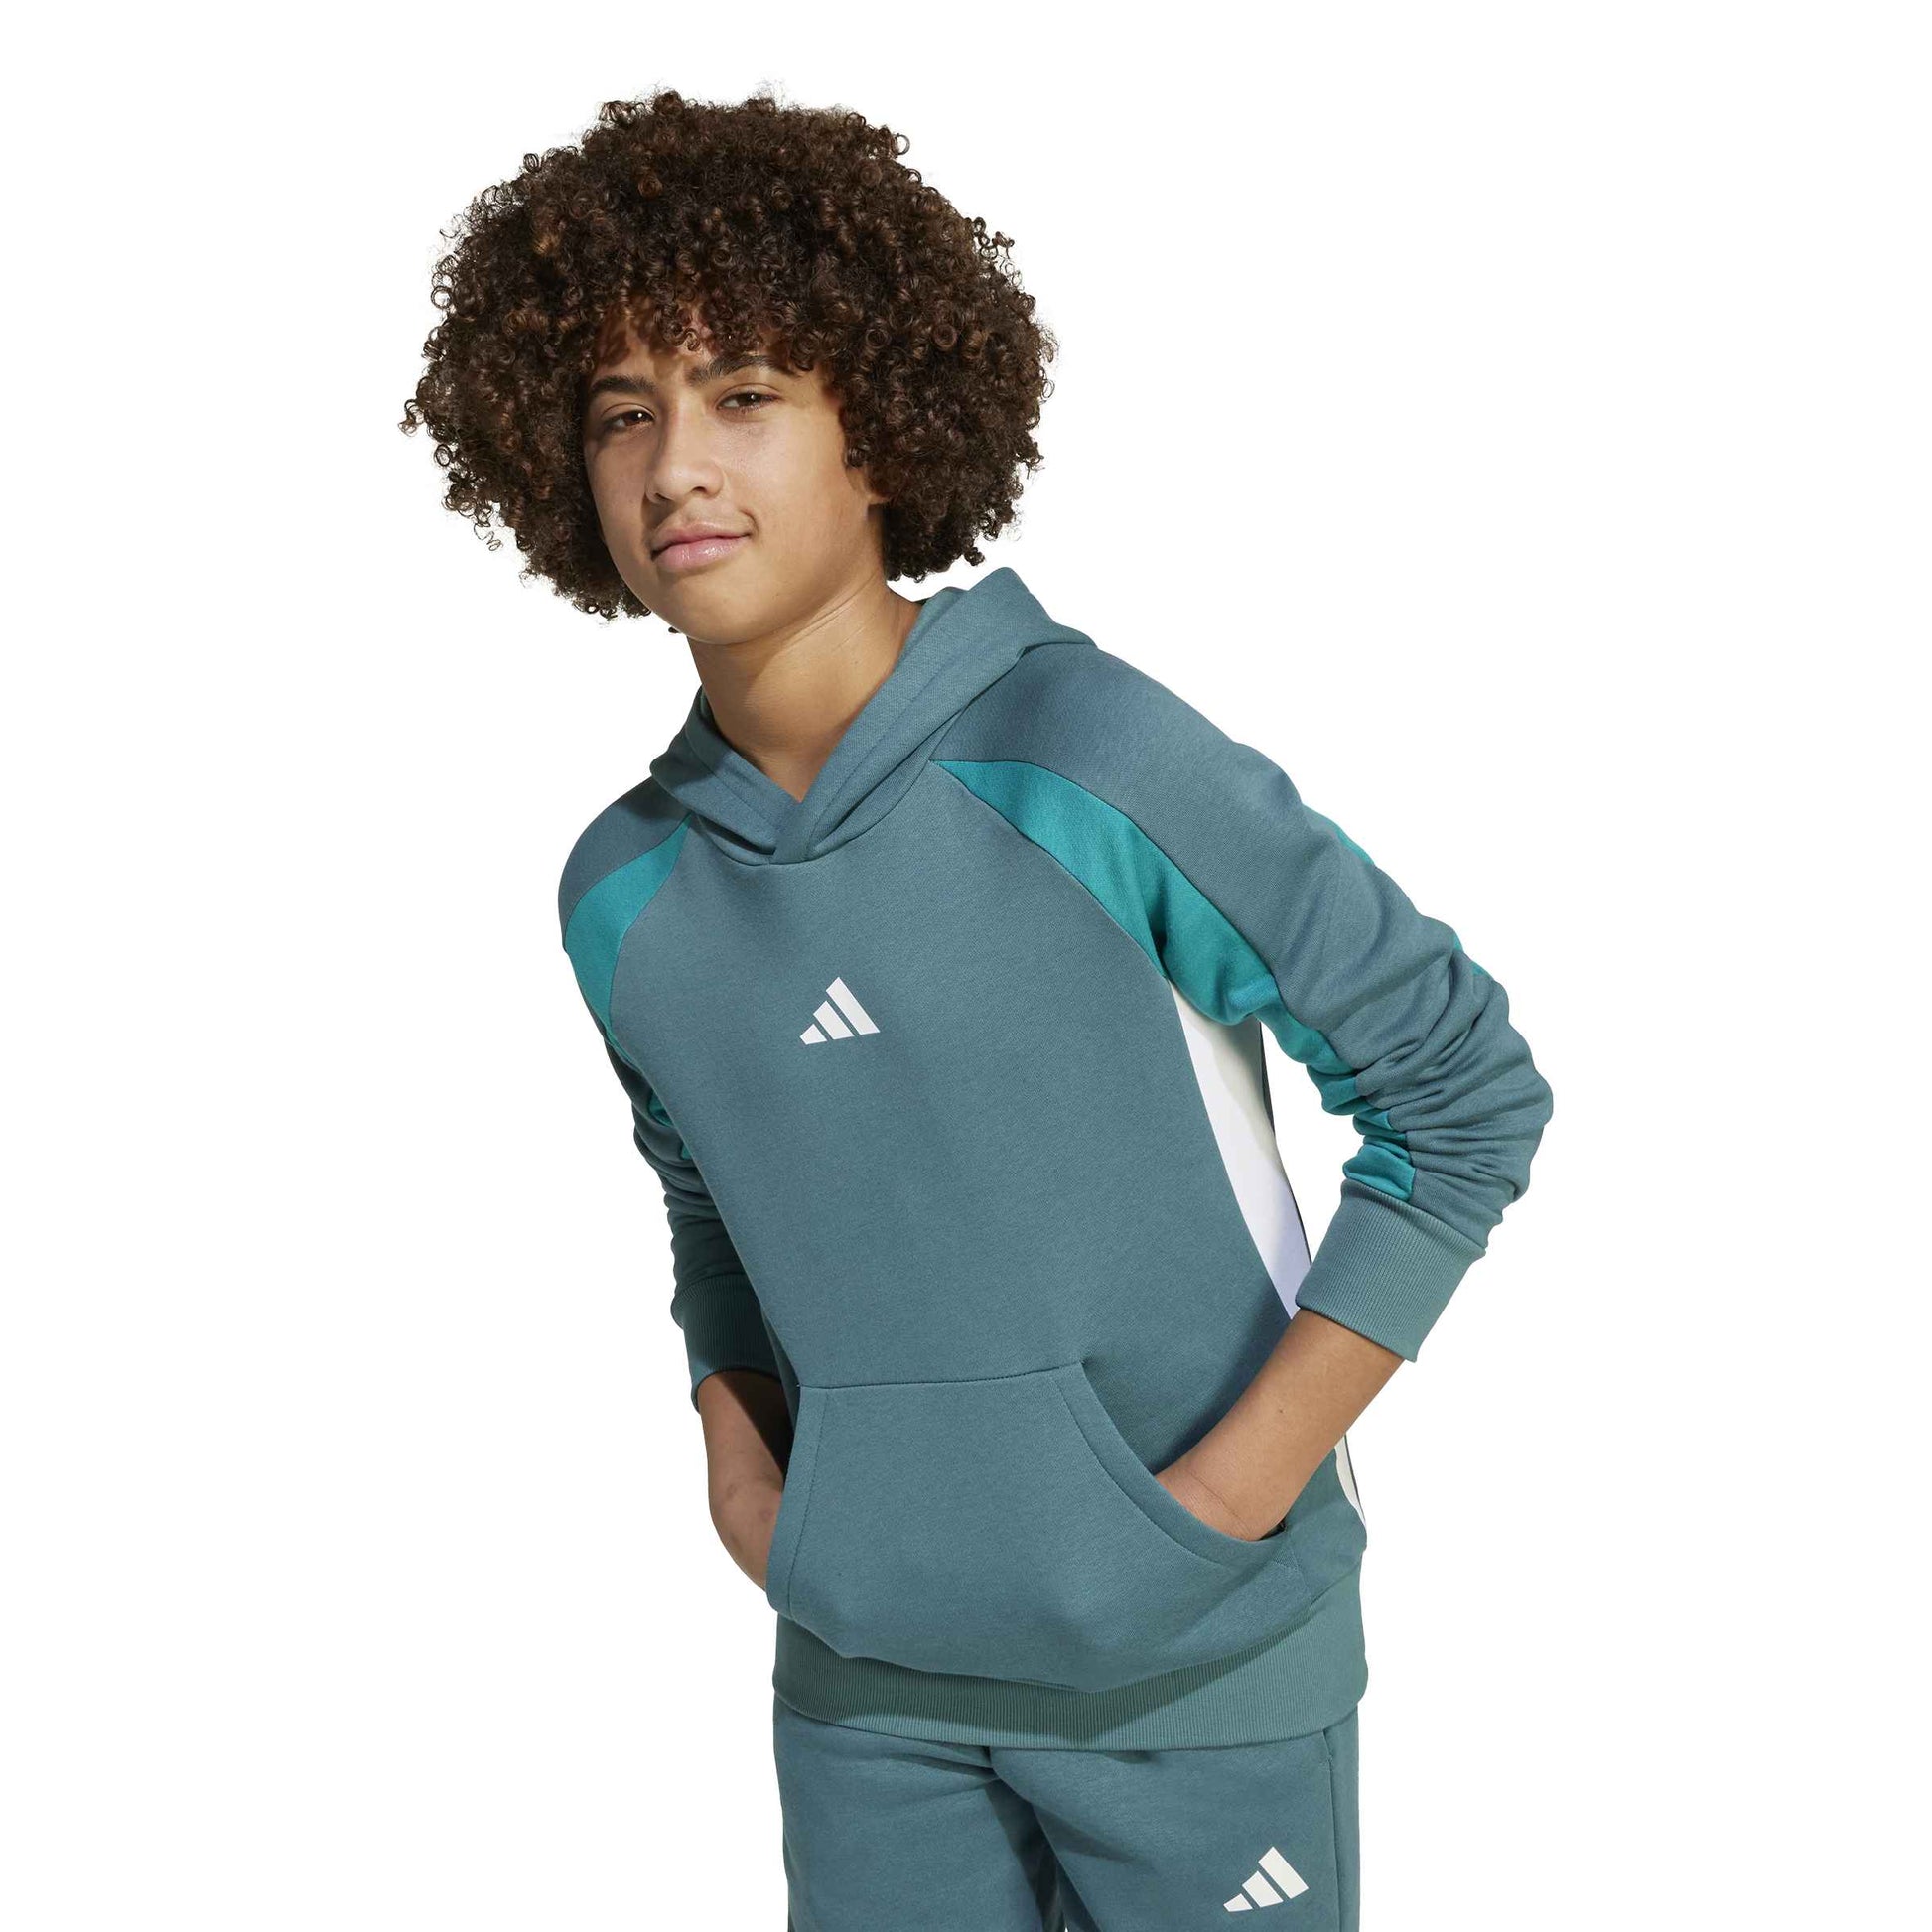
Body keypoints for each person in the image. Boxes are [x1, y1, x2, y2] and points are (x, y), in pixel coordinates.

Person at [402, 85, 1554, 1932]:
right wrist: (747, 1475)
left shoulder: (1083, 753)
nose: (676, 466)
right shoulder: (622, 888)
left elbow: (1461, 1090)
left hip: (1197, 1683)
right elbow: (712, 1203)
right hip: (865, 1698)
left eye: (745, 394)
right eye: (623, 413)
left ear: (879, 431)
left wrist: (1224, 1499)